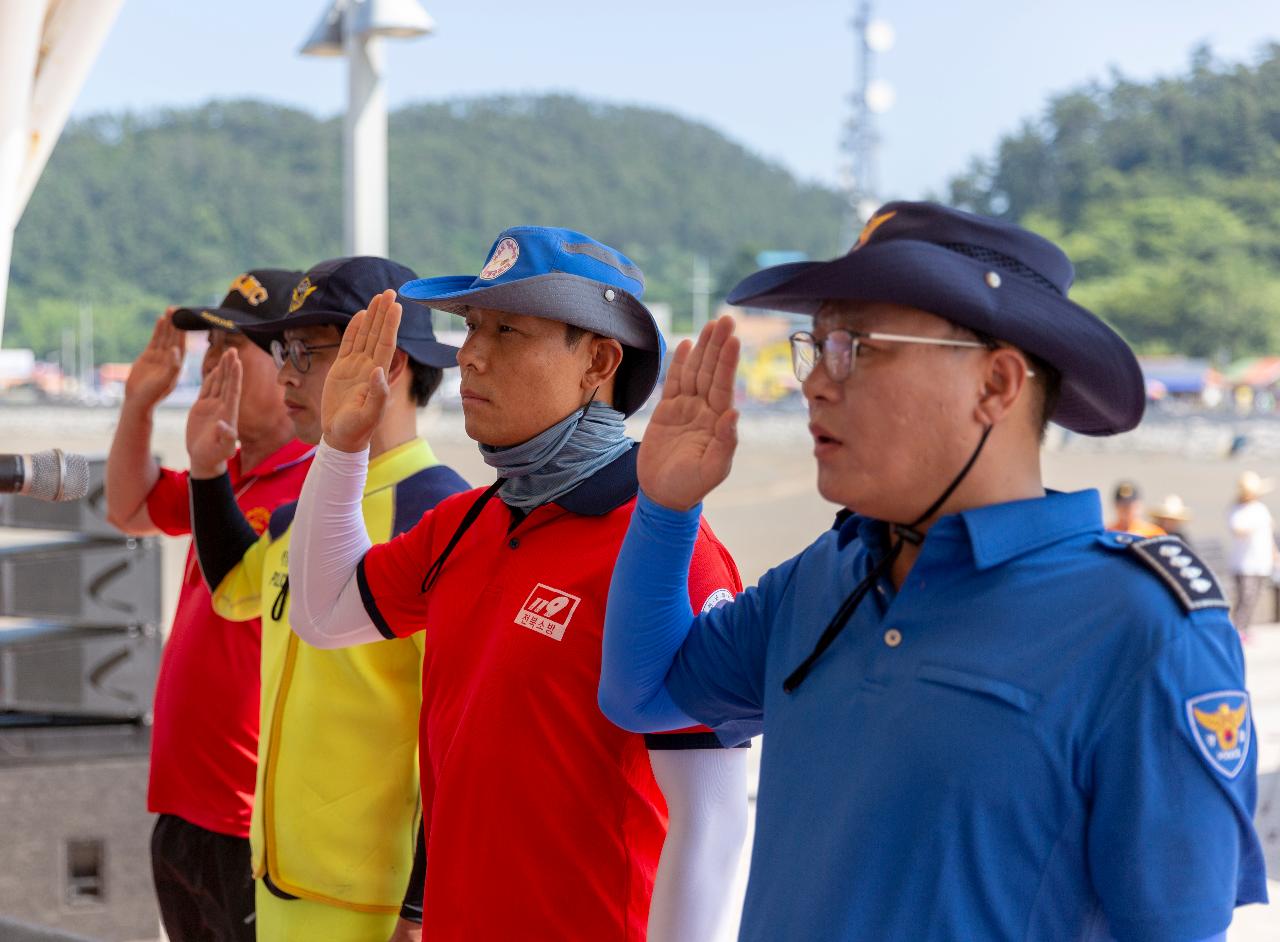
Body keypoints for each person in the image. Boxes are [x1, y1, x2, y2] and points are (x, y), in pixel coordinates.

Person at [598, 202, 1267, 941]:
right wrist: (665, 507)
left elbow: (1178, 927)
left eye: (856, 346)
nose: (816, 382)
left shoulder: (1142, 627)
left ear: (996, 386)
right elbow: (645, 694)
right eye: (815, 346)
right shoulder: (832, 574)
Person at [287, 227, 749, 940]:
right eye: (471, 326)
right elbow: (324, 612)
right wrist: (342, 445)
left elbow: (713, 821)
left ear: (598, 359)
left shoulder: (665, 549)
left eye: (508, 330)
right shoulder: (466, 523)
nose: (470, 354)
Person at [184, 257, 466, 941]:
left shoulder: (442, 516)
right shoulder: (307, 506)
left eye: (306, 353)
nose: (284, 374)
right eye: (285, 351)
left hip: (370, 904)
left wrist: (421, 910)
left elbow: (458, 736)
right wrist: (205, 471)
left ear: (389, 364)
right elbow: (235, 593)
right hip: (279, 879)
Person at [105, 269, 310, 942]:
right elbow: (129, 506)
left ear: (292, 366)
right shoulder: (222, 468)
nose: (215, 364)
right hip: (182, 806)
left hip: (251, 818)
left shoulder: (321, 482)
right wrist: (140, 404)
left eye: (235, 348)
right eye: (212, 348)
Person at [1228, 470, 1276, 638]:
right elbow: (1237, 530)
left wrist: (1274, 554)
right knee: (1245, 596)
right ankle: (1237, 629)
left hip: (1261, 560)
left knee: (1255, 596)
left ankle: (1245, 628)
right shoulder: (1236, 509)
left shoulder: (1261, 509)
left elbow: (1268, 534)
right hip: (1244, 561)